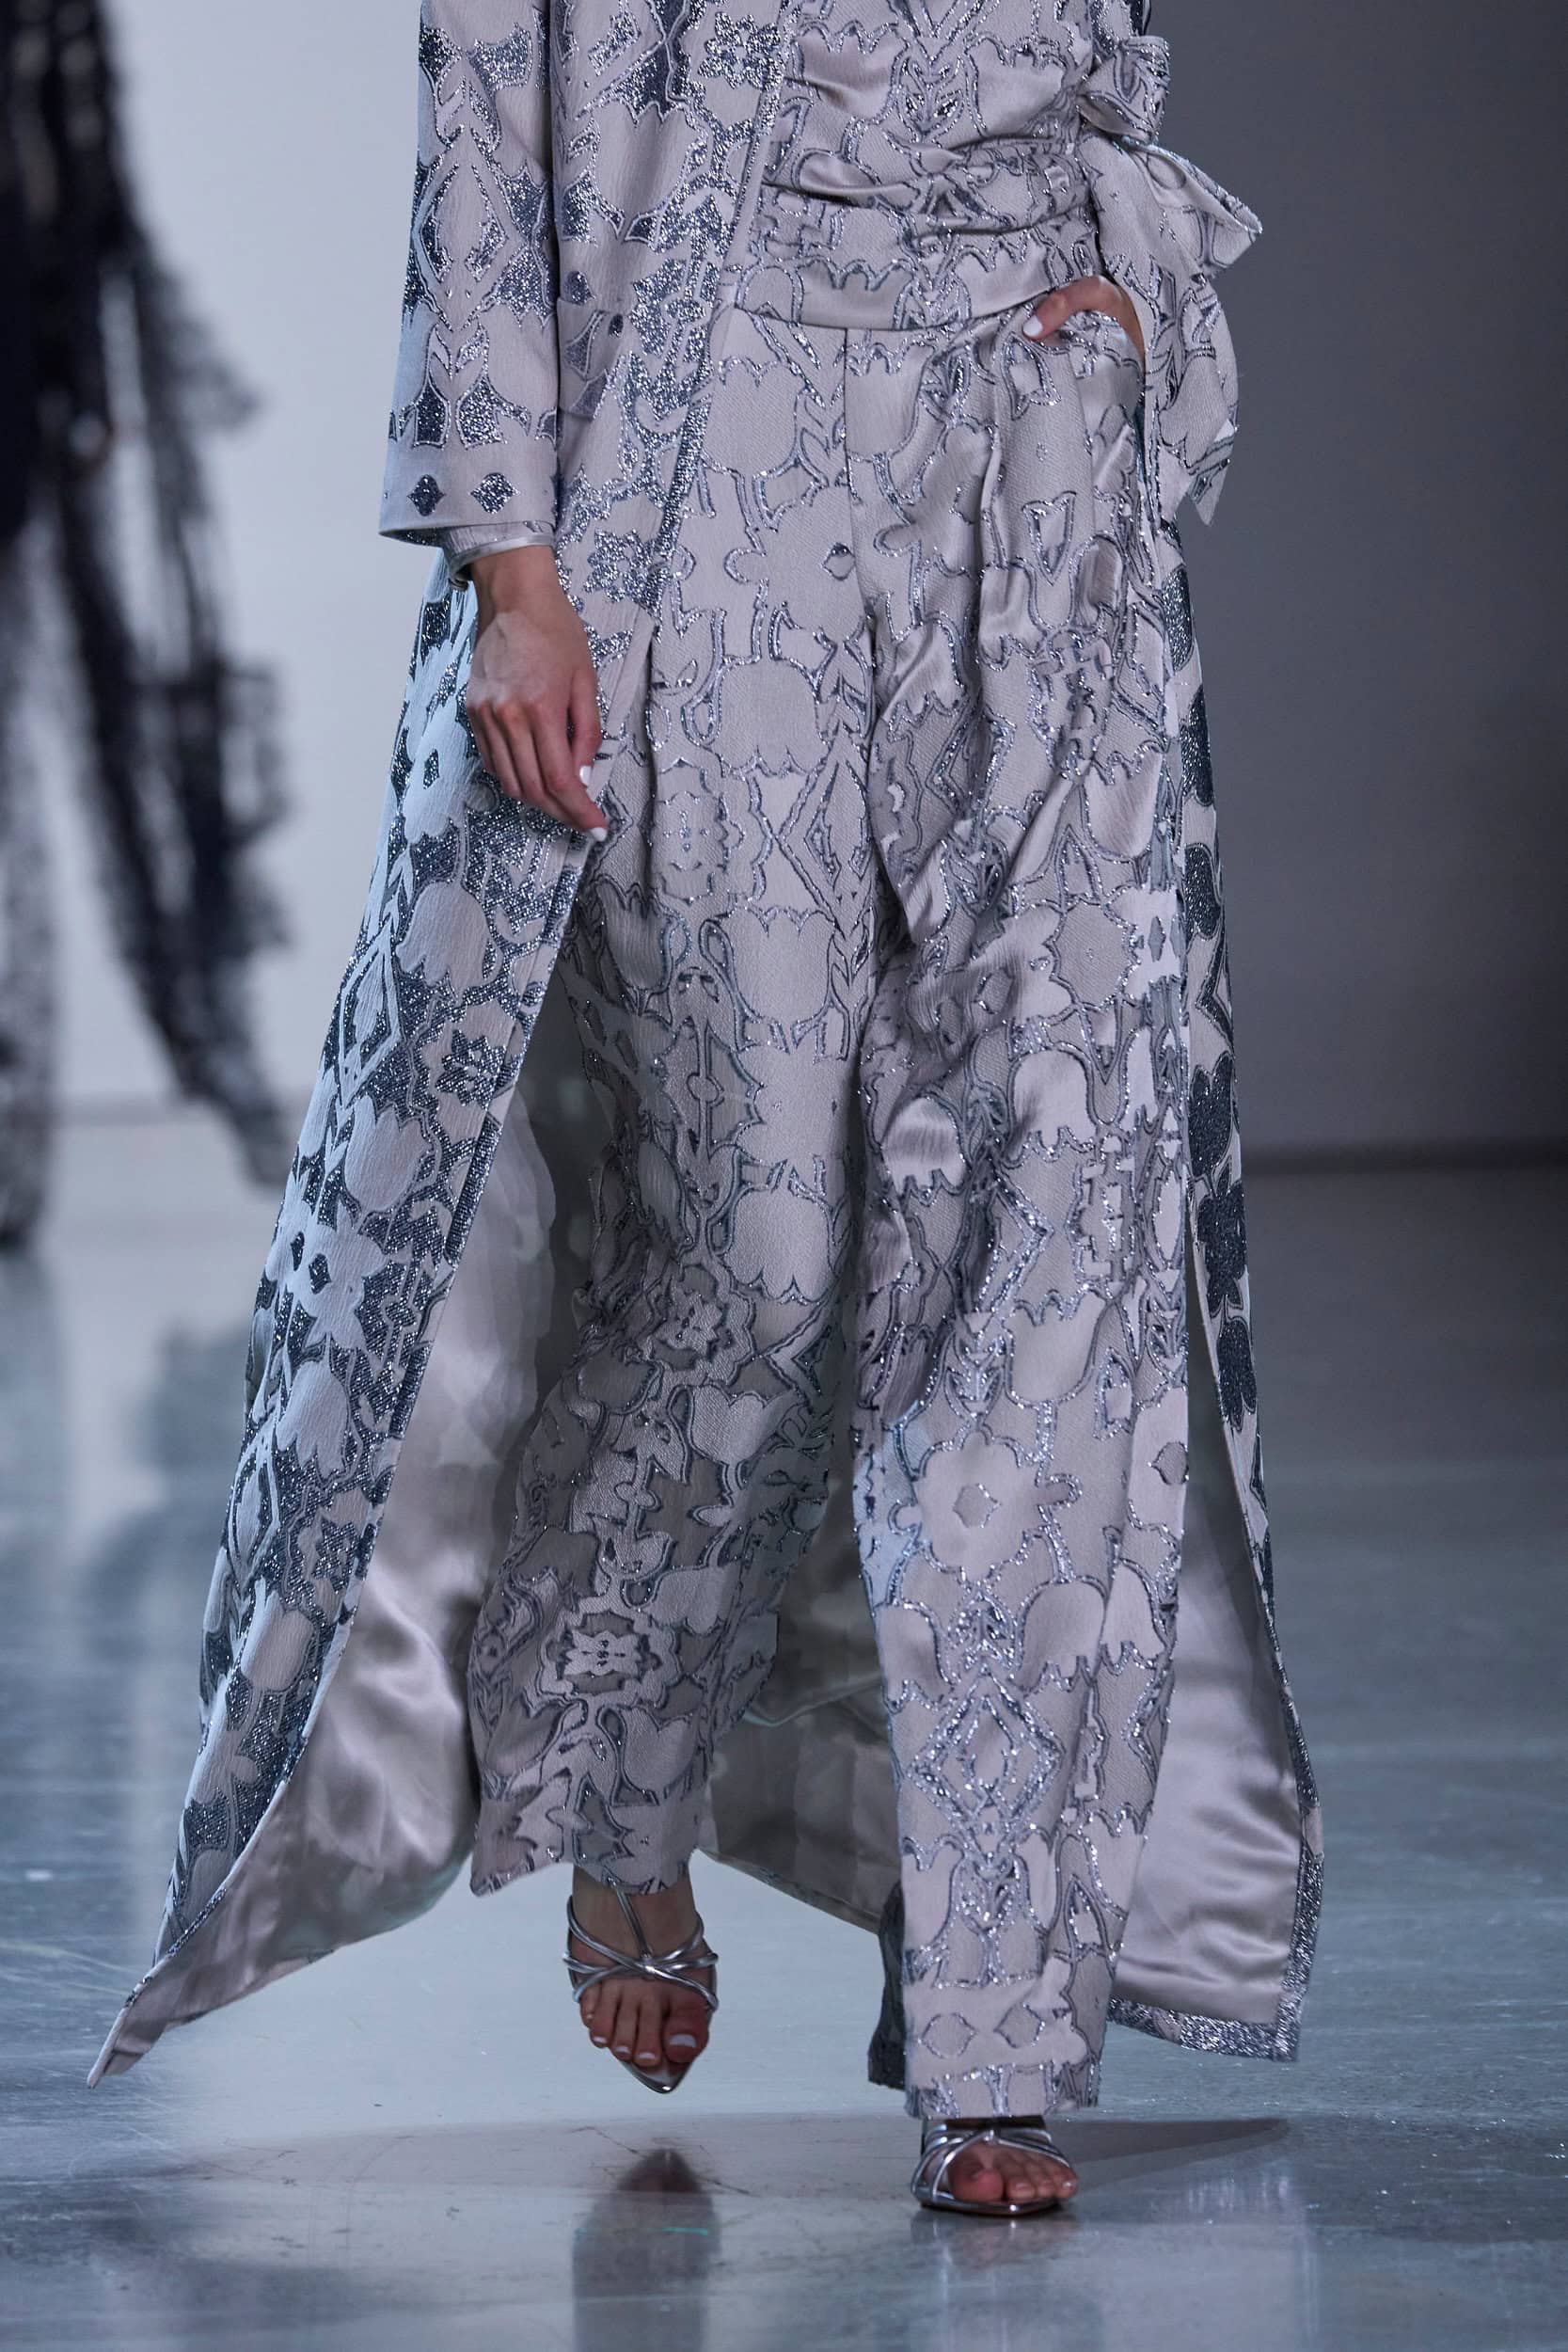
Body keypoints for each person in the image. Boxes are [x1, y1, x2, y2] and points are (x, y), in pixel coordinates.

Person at [91, 0, 1323, 2220]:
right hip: (708, 446)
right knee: (753, 1258)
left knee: (1049, 1248)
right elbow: (488, 119)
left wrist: (1133, 287)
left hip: (1032, 455)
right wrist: (514, 574)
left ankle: (998, 2030)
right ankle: (623, 1768)